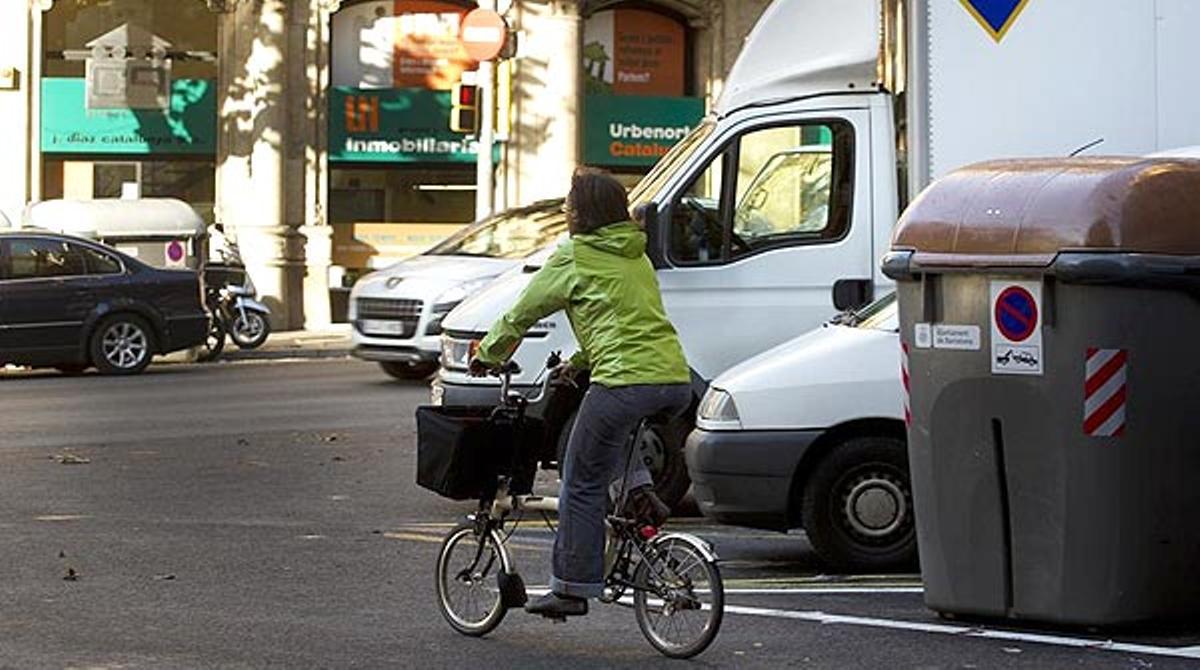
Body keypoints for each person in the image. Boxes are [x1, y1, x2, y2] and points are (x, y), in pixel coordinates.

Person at [469, 168, 691, 618]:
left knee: (580, 477)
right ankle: (640, 497)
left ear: (585, 213)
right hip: (673, 379)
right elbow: (622, 322)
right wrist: (578, 363)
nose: (566, 213)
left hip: (625, 381)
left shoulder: (575, 255)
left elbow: (522, 312)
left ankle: (570, 587)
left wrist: (488, 356)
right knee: (611, 441)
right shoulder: (635, 255)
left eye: (570, 206)